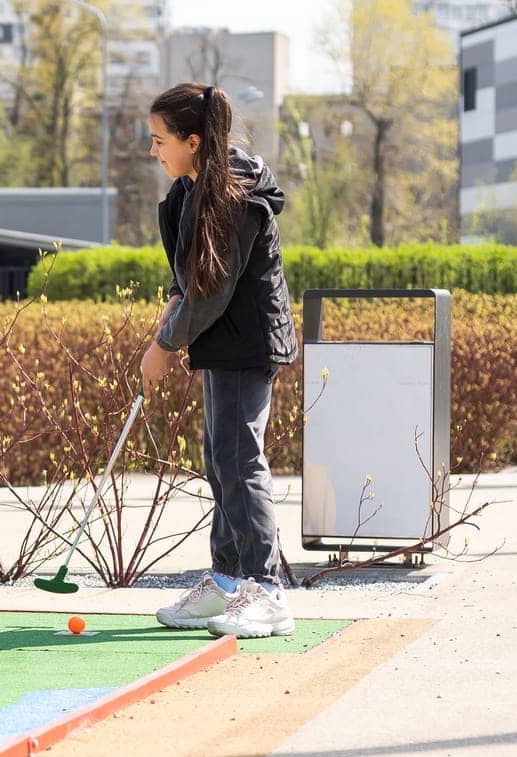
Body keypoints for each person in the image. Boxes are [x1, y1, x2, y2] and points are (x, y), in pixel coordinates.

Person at [141, 83, 299, 639]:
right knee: (221, 460)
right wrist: (173, 296)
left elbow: (213, 290)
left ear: (194, 139)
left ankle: (266, 589)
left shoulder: (233, 194)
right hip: (221, 340)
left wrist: (164, 346)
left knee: (240, 460)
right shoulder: (191, 188)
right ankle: (230, 581)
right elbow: (192, 273)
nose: (154, 149)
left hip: (247, 340)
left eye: (161, 140)